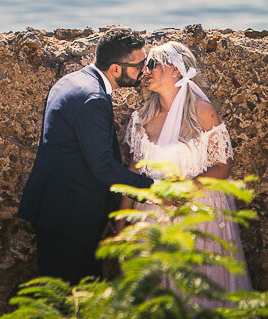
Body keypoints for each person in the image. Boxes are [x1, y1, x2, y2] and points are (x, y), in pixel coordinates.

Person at [19, 28, 156, 283]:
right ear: (116, 69)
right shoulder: (93, 98)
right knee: (70, 297)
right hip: (70, 217)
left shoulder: (71, 81)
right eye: (139, 65)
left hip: (57, 208)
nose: (144, 71)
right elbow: (102, 166)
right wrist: (152, 188)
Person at [123, 40, 251, 295]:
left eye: (152, 65)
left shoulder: (202, 112)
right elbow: (134, 170)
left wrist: (182, 190)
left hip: (197, 212)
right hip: (151, 215)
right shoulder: (142, 117)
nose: (144, 72)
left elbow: (223, 166)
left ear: (175, 70)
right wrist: (121, 219)